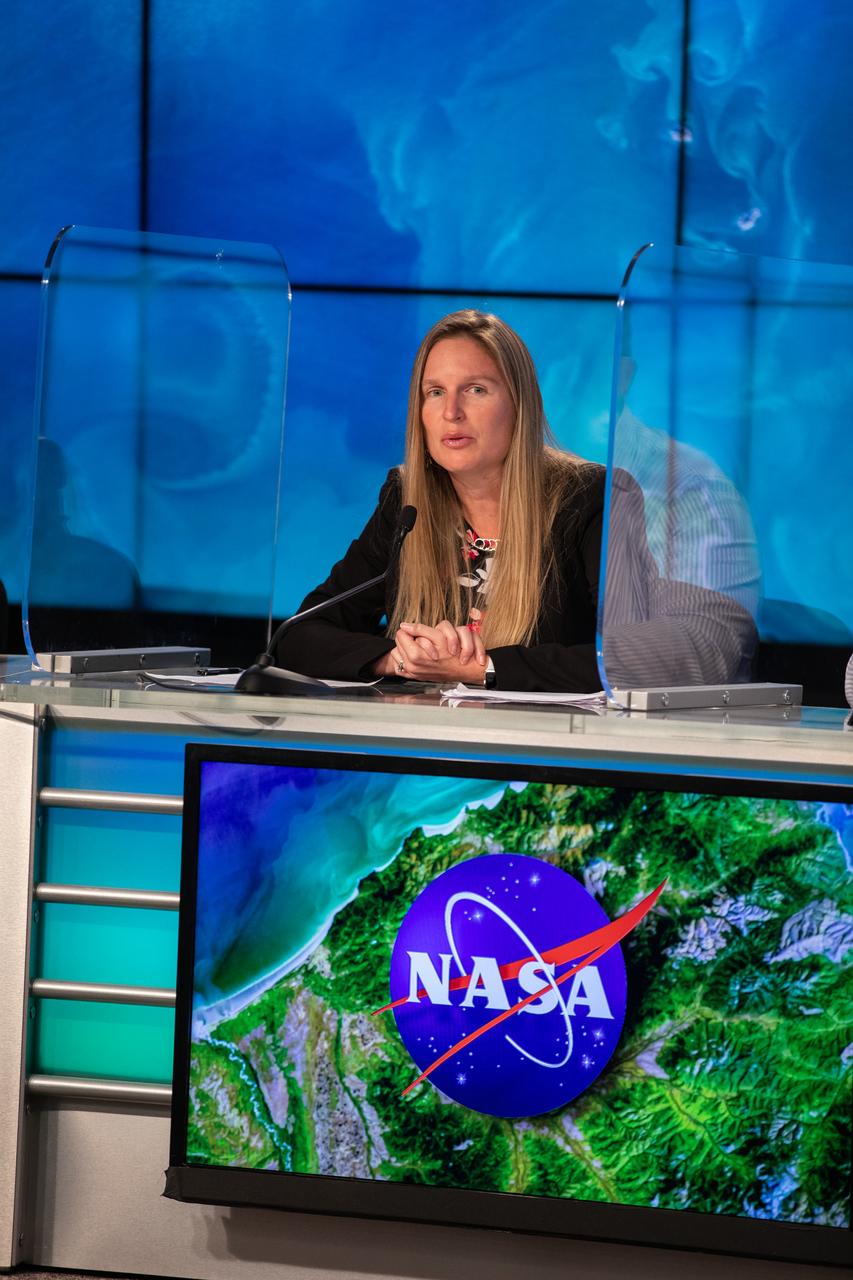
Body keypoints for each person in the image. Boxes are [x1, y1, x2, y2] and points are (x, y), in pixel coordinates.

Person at [276, 309, 606, 692]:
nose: (451, 413)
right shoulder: (407, 500)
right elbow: (297, 637)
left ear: (521, 404)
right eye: (435, 392)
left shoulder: (586, 497)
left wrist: (481, 668)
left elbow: (627, 657)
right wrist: (401, 660)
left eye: (475, 390)